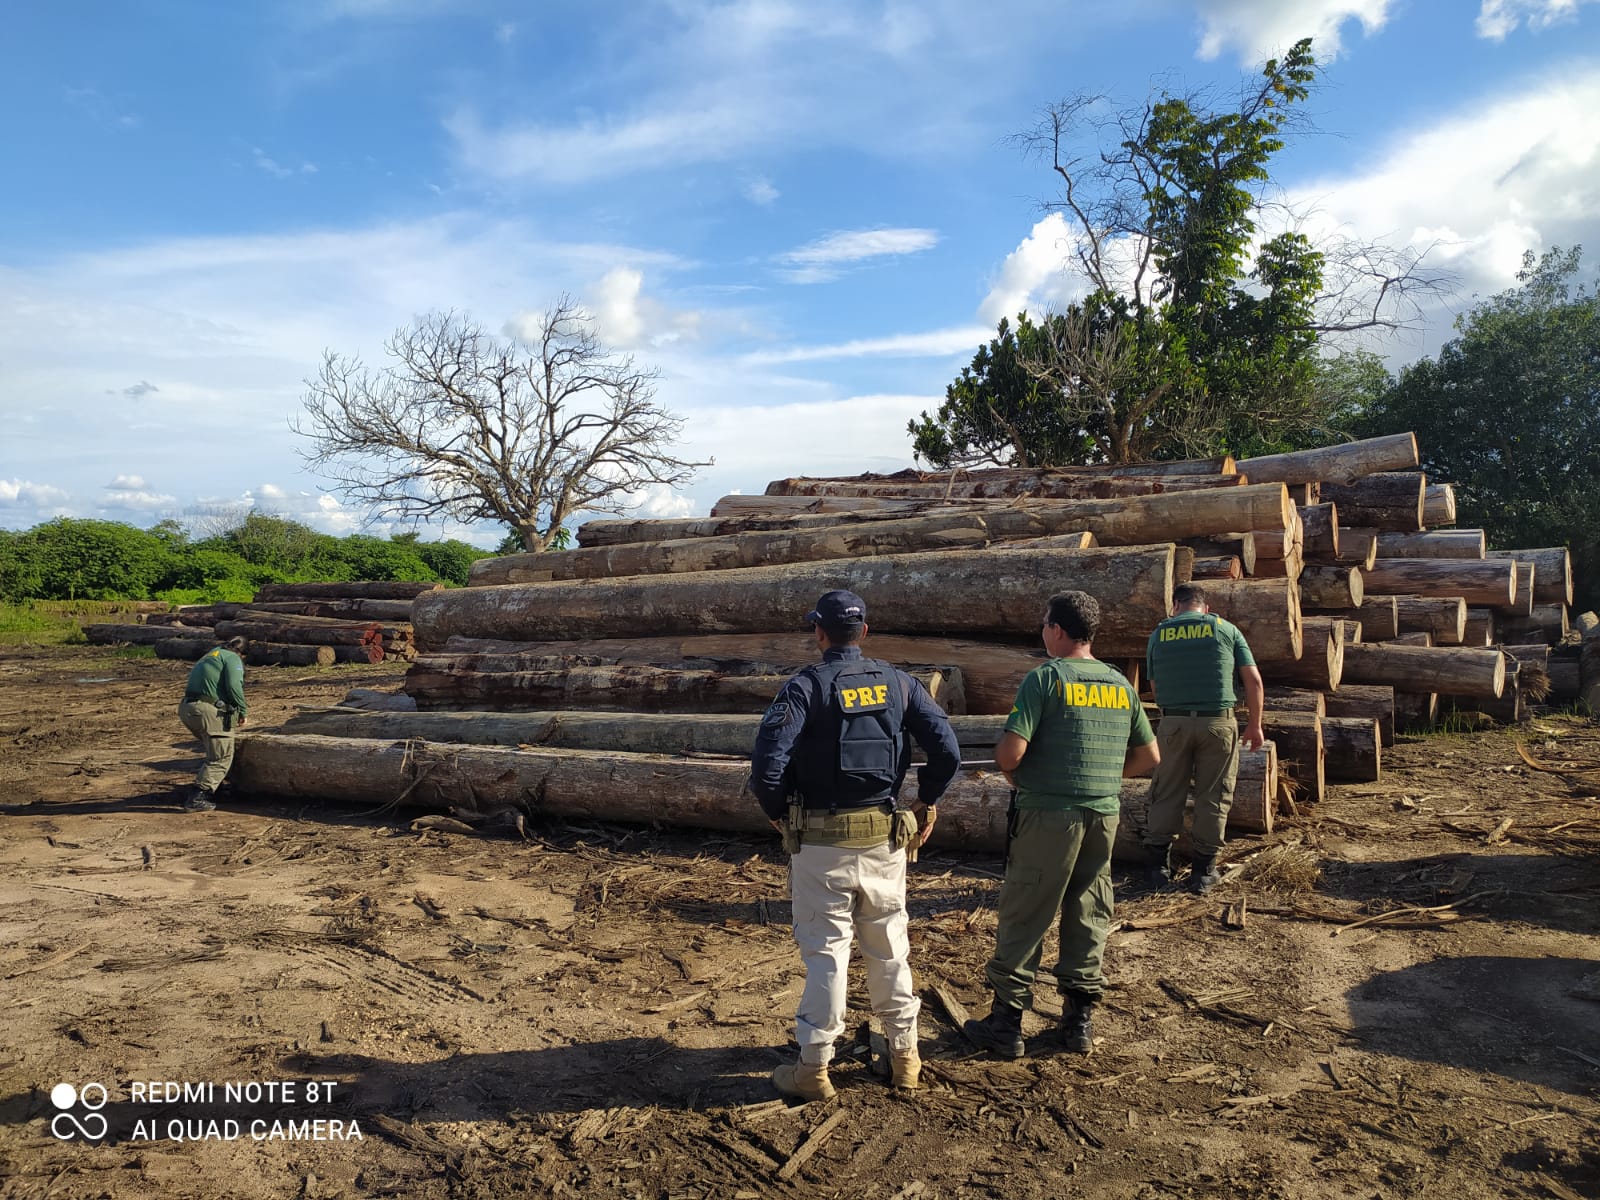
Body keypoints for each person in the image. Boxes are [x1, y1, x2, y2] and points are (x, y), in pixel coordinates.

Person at [749, 589, 961, 1101]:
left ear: (819, 633)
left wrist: (780, 815)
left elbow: (767, 765)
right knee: (889, 949)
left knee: (827, 955)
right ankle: (905, 1056)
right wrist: (924, 803)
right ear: (864, 632)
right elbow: (947, 750)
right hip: (886, 842)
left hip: (820, 844)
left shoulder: (805, 688)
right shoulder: (900, 683)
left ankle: (813, 1068)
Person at [963, 590, 1159, 1059]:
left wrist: (1016, 777)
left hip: (1048, 815)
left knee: (1027, 910)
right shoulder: (1118, 683)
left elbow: (1011, 753)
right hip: (1102, 813)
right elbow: (1150, 756)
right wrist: (1105, 780)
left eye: (1044, 625)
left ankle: (1007, 1025)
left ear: (1057, 629)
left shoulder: (1046, 679)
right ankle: (1078, 1022)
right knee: (1090, 909)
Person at [1142, 582, 1265, 894]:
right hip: (1218, 723)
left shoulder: (1160, 632)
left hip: (1173, 723)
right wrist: (1255, 725)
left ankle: (1158, 868)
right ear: (1205, 608)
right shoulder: (1225, 629)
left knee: (1167, 792)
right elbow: (1253, 680)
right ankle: (1203, 873)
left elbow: (1154, 686)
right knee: (1214, 795)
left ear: (1176, 606)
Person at [177, 635, 249, 812]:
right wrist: (242, 710)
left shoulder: (212, 654)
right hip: (207, 710)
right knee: (220, 756)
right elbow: (234, 685)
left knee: (214, 749)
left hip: (187, 708)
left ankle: (215, 786)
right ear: (242, 653)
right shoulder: (233, 658)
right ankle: (199, 796)